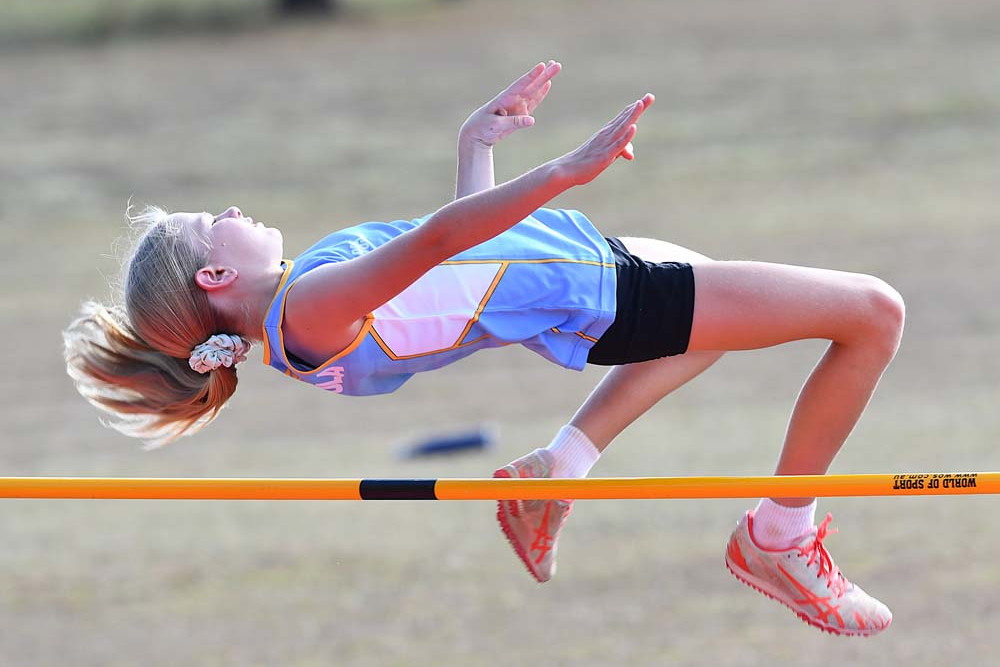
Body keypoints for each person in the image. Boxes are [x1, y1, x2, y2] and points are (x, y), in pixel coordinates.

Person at [64, 61, 902, 636]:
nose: (236, 211)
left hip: (577, 279)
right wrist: (562, 171)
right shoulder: (305, 311)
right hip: (597, 294)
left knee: (721, 299)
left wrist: (478, 149)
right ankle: (782, 536)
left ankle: (559, 468)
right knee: (873, 314)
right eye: (220, 222)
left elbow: (457, 272)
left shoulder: (298, 307)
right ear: (215, 273)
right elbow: (435, 245)